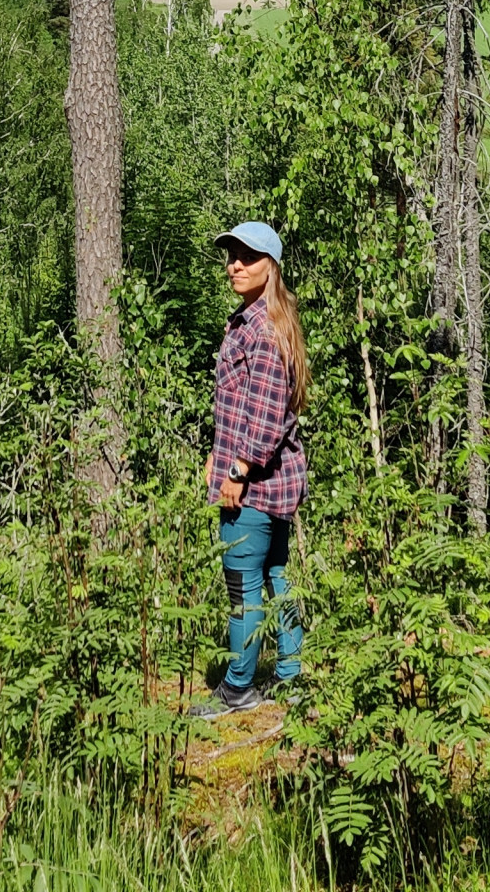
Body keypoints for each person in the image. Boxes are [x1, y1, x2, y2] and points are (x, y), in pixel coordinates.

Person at [189, 219, 307, 718]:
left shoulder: (260, 327)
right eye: (232, 255)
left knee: (242, 581)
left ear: (271, 266)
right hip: (276, 481)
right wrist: (221, 457)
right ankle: (289, 676)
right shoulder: (268, 320)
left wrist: (235, 470)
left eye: (248, 257)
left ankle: (238, 687)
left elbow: (265, 410)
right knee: (277, 576)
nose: (235, 265)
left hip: (255, 484)